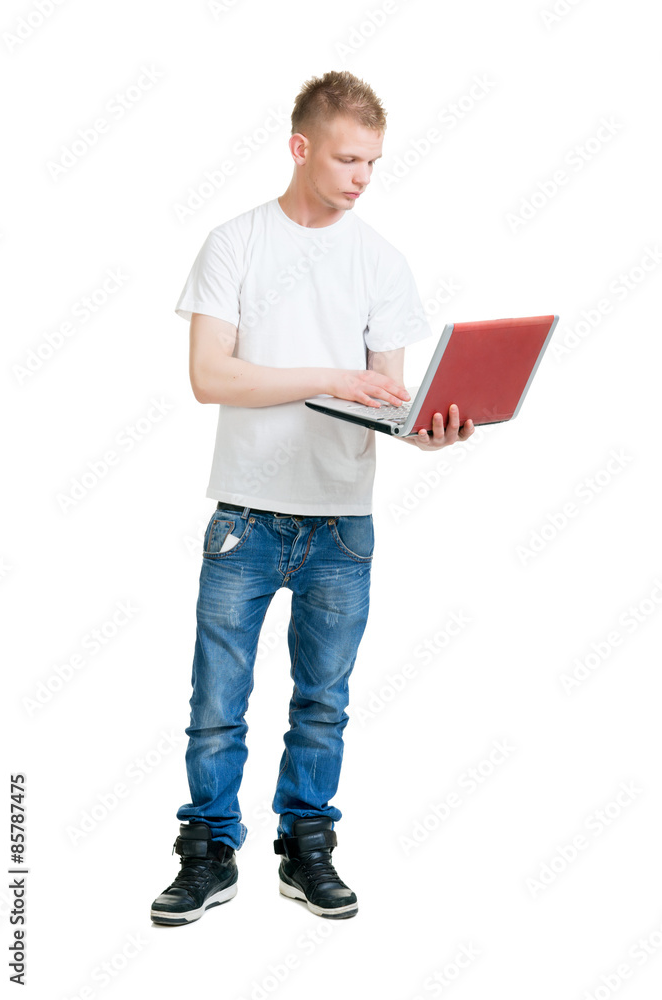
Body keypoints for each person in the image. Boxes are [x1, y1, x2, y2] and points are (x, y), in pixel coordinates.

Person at [150, 69, 474, 926]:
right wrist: (327, 376)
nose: (362, 177)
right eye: (346, 159)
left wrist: (424, 429)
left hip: (342, 521)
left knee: (322, 702)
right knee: (217, 701)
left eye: (372, 161)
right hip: (244, 516)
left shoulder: (382, 261)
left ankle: (307, 846)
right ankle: (210, 850)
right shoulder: (235, 243)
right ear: (300, 148)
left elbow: (385, 398)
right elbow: (208, 376)